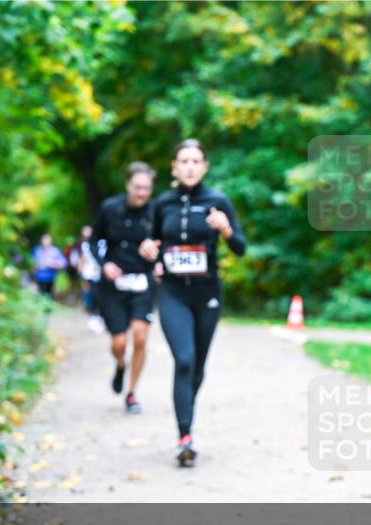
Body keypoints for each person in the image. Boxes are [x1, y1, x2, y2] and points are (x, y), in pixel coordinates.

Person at [140, 139, 247, 466]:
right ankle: (184, 436)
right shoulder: (162, 204)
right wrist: (151, 256)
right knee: (183, 360)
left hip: (208, 293)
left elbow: (241, 247)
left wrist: (226, 231)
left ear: (204, 166)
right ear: (174, 167)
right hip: (173, 293)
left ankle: (186, 409)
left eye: (195, 161)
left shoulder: (217, 201)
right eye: (183, 161)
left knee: (197, 366)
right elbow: (153, 244)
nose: (189, 166)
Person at [91, 162, 159, 413]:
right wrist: (104, 263)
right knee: (119, 343)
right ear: (127, 185)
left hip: (142, 282)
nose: (142, 193)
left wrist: (157, 259)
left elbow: (164, 241)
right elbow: (95, 240)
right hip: (113, 285)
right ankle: (121, 365)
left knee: (140, 337)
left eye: (147, 188)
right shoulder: (109, 208)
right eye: (137, 187)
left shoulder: (156, 212)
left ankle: (131, 394)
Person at [76, 225, 105, 334]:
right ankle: (94, 318)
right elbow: (82, 260)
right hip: (90, 275)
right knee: (92, 296)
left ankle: (101, 318)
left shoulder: (103, 242)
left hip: (103, 274)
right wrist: (81, 275)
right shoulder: (84, 245)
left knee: (102, 297)